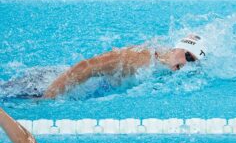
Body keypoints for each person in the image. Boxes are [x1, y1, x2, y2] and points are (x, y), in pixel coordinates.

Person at [44, 34, 206, 98]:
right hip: (48, 85)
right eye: (187, 56)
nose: (186, 64)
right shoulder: (137, 58)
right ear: (176, 48)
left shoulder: (170, 69)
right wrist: (48, 96)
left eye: (192, 62)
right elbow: (85, 67)